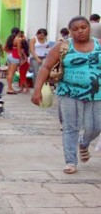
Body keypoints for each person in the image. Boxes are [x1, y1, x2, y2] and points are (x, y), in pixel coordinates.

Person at [31, 16, 101, 174]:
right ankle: (70, 161)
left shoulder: (99, 44)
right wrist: (37, 90)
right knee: (71, 127)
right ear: (70, 31)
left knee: (96, 126)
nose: (80, 31)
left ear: (89, 27)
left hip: (97, 93)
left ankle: (84, 144)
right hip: (69, 92)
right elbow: (45, 67)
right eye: (75, 29)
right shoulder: (63, 46)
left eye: (83, 27)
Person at [4, 27, 22, 94]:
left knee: (9, 73)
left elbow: (4, 48)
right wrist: (21, 60)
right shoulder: (18, 39)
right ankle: (10, 88)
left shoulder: (9, 38)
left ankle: (9, 87)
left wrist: (9, 51)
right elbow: (19, 52)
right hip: (15, 56)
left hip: (9, 55)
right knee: (12, 73)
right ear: (18, 32)